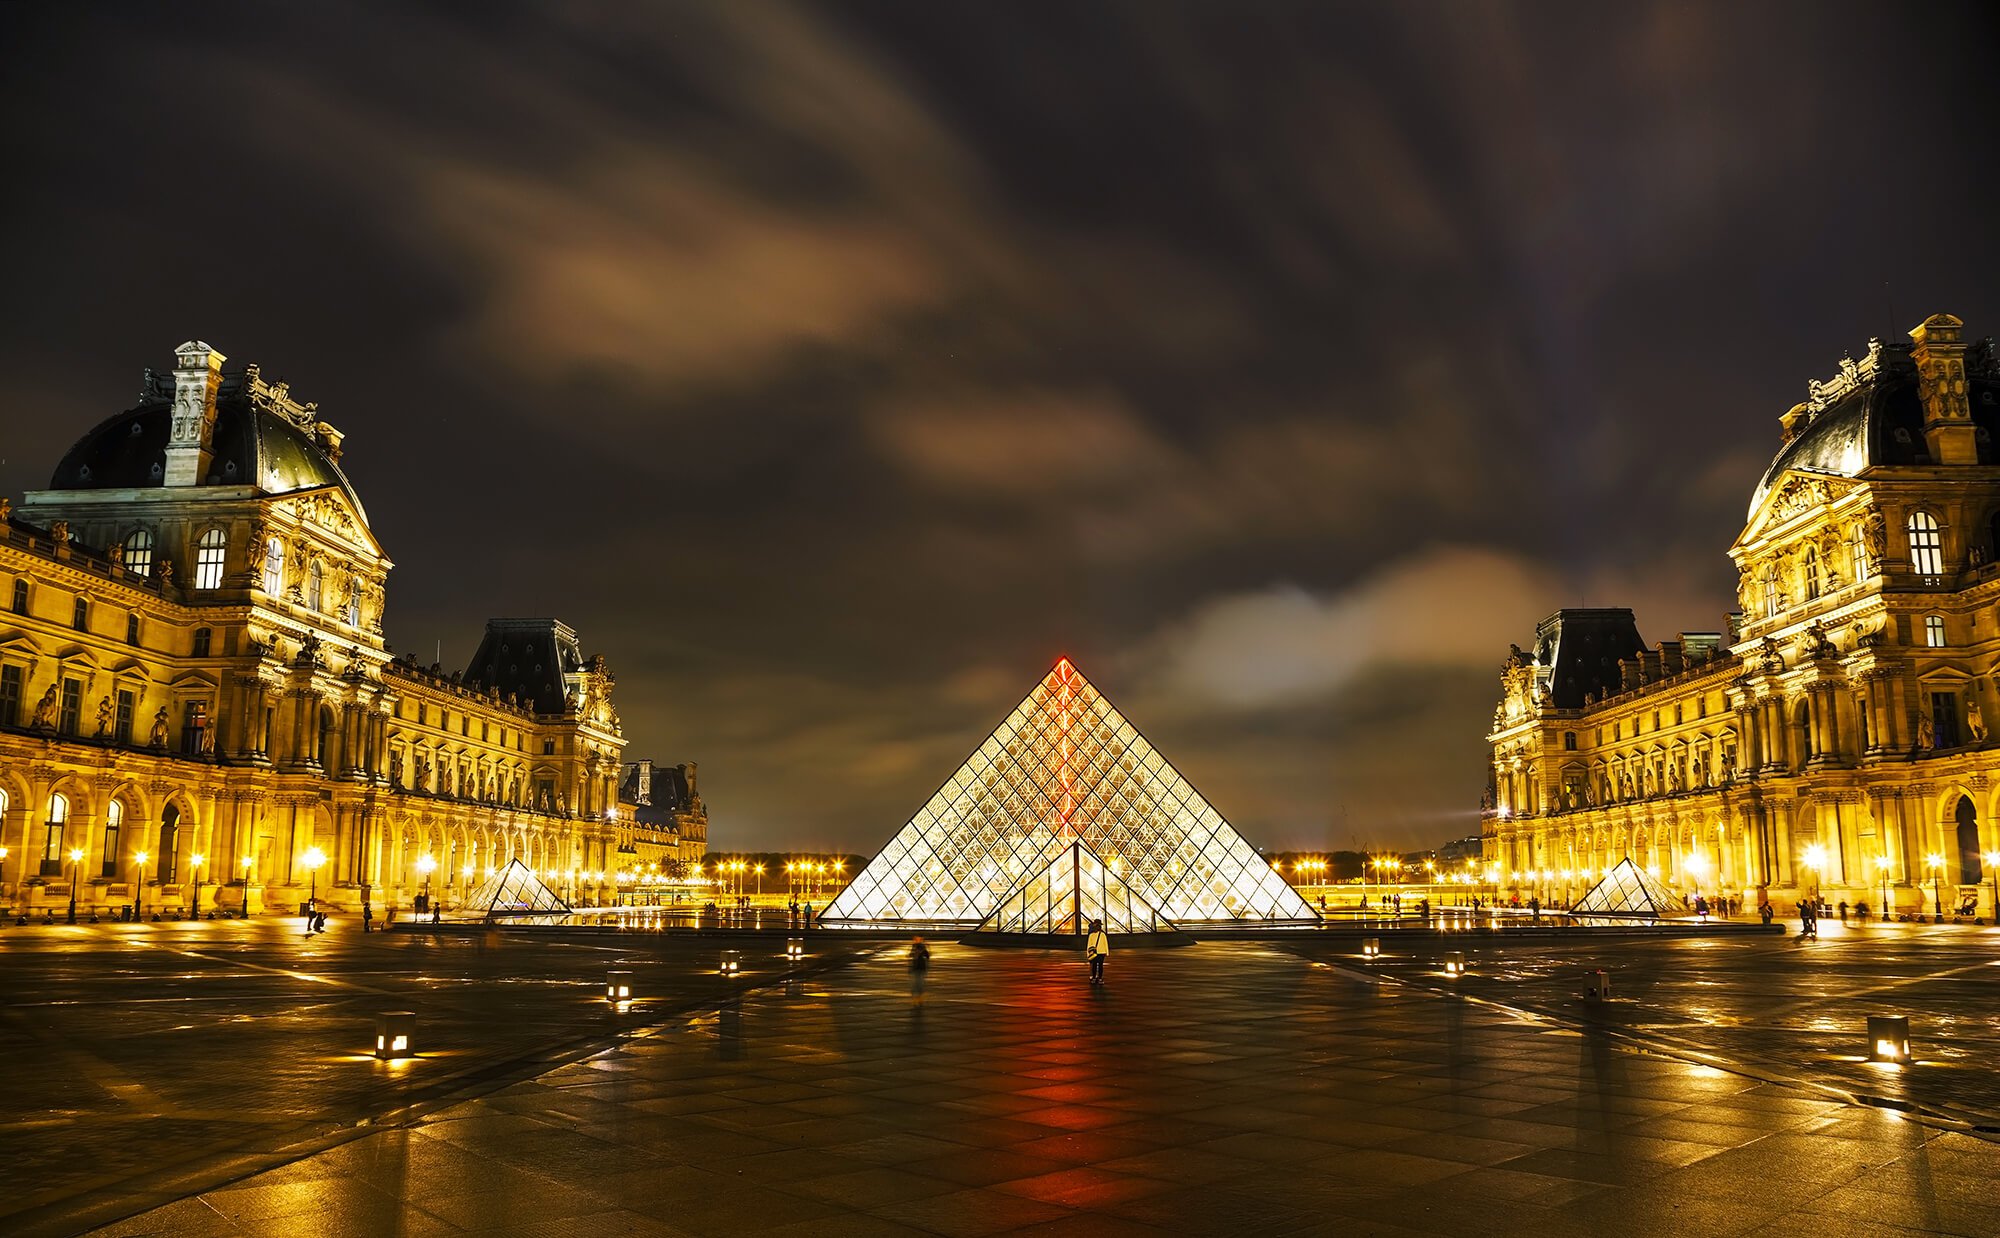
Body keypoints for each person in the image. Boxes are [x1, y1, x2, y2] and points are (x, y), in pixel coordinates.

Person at [1085, 918, 1110, 985]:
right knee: (1099, 966)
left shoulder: (1093, 935)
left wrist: (1088, 954)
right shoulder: (1102, 934)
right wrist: (1107, 952)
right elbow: (1105, 943)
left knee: (1095, 965)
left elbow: (1089, 945)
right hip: (1101, 952)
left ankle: (1095, 978)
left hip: (1096, 952)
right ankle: (1099, 978)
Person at [909, 936, 930, 1006]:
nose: (916, 940)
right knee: (915, 984)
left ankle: (919, 998)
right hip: (915, 968)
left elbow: (927, 956)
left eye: (918, 939)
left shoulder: (922, 947)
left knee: (919, 983)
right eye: (915, 939)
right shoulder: (914, 947)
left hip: (920, 967)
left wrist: (925, 950)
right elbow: (911, 955)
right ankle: (916, 998)